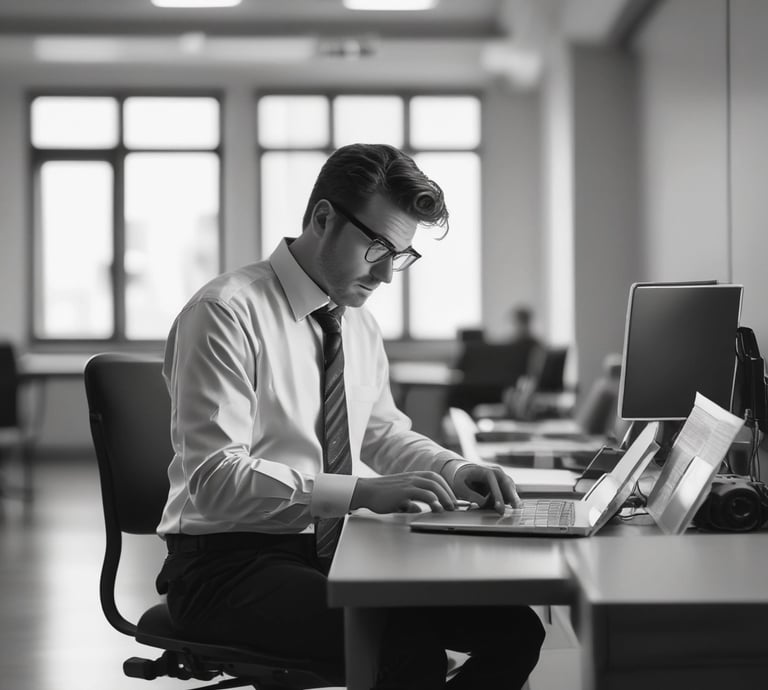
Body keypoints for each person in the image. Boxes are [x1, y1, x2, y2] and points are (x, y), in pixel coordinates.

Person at [154, 143, 545, 690]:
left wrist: (456, 470)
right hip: (227, 565)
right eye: (378, 246)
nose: (386, 275)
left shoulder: (356, 324)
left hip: (337, 549)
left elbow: (384, 433)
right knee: (407, 647)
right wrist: (360, 492)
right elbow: (216, 481)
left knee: (516, 630)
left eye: (401, 255)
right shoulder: (224, 312)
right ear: (322, 218)